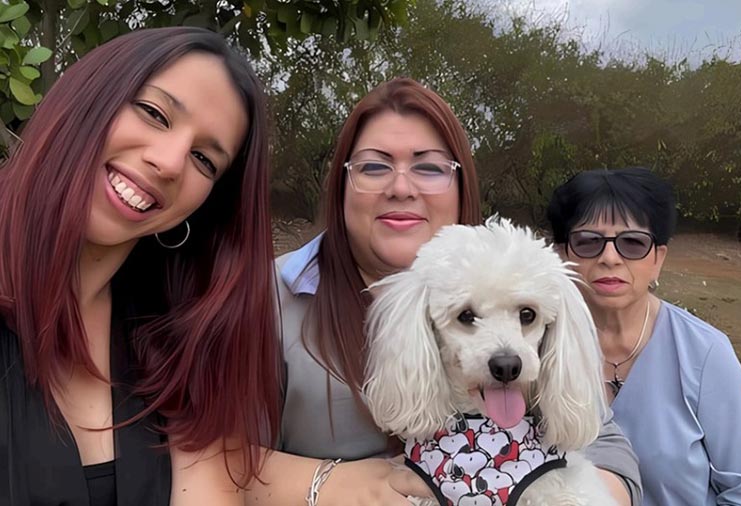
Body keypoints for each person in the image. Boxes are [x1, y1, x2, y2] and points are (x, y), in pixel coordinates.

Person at [272, 78, 642, 506]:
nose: (401, 187)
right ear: (341, 183)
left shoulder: (517, 266)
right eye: (375, 166)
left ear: (460, 184)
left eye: (429, 168)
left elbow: (608, 450)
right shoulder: (269, 299)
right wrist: (334, 485)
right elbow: (216, 467)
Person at [0, 27, 283, 505]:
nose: (171, 162)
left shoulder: (174, 334)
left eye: (204, 159)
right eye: (154, 113)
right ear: (90, 96)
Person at [546, 167, 741, 505]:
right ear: (561, 256)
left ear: (658, 259)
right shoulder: (531, 354)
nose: (610, 258)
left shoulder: (704, 353)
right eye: (589, 242)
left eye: (632, 243)